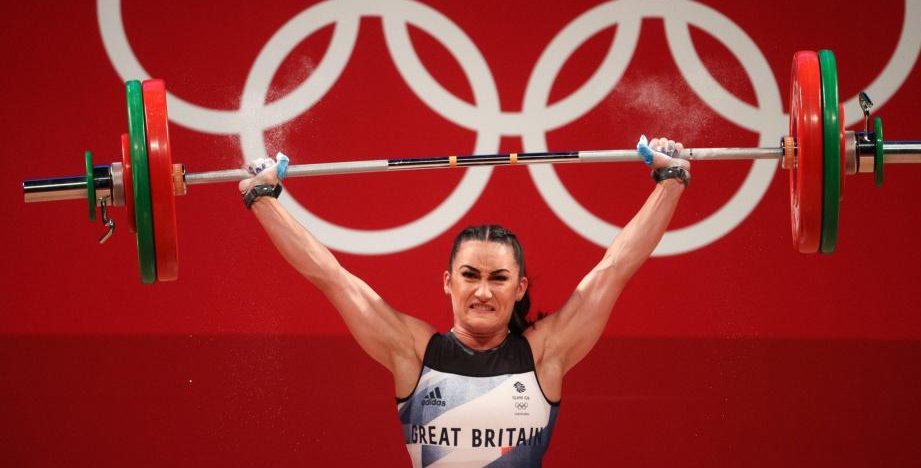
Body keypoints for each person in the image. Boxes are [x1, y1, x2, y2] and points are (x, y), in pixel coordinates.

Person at [239, 137, 690, 467]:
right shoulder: (414, 352)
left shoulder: (543, 354)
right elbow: (331, 277)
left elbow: (614, 271)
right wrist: (263, 198)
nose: (482, 291)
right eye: (470, 276)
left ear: (519, 287)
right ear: (447, 282)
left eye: (498, 279)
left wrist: (670, 180)